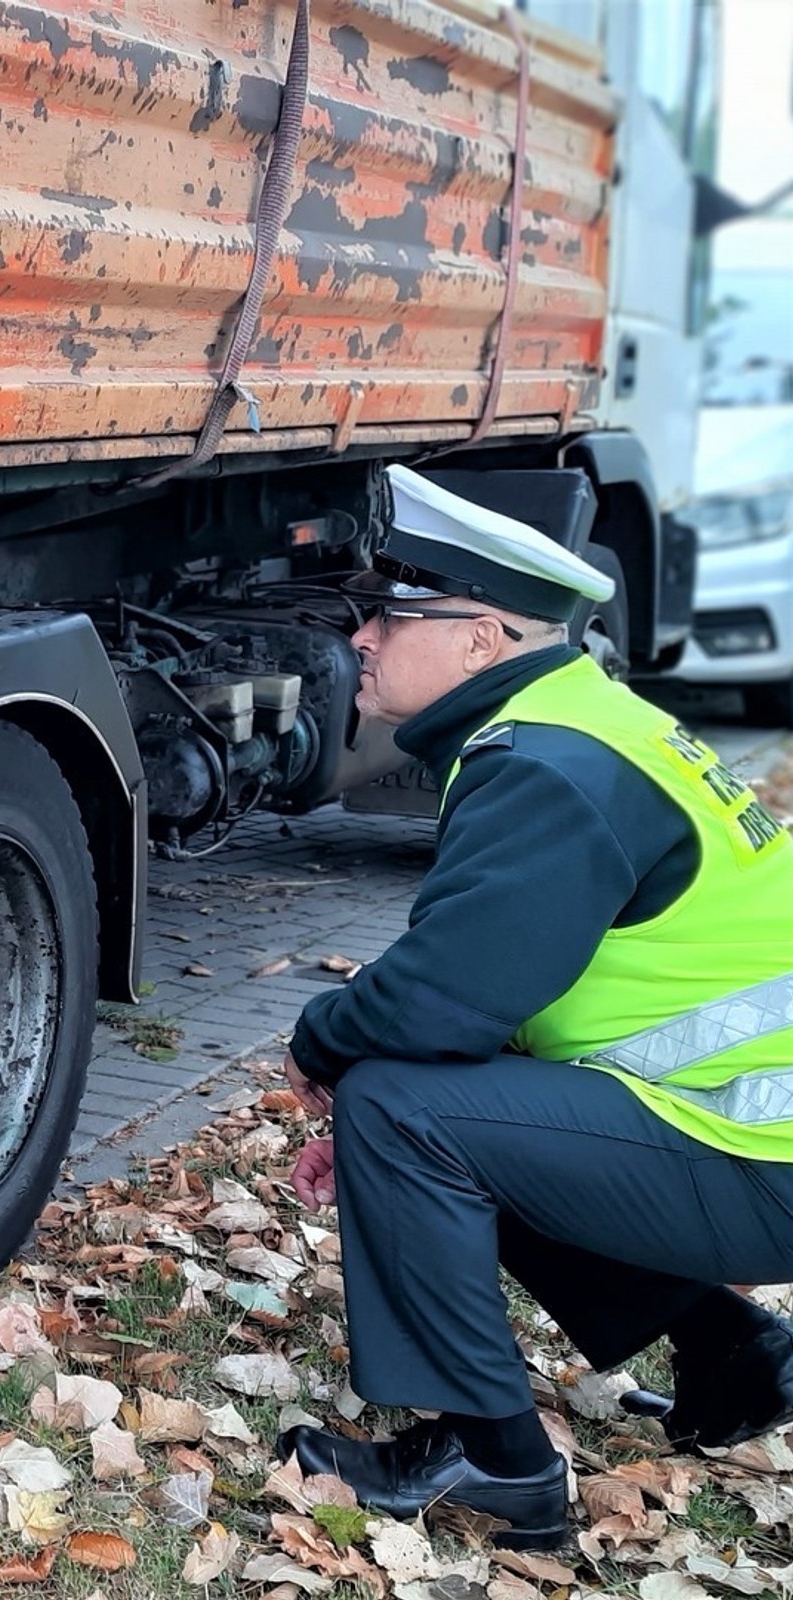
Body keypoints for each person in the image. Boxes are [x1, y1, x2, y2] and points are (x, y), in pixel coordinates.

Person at [275, 463, 793, 1552]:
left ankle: (494, 1458)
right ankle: (731, 1348)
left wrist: (320, 1046)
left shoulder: (544, 767)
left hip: (762, 1151)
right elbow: (510, 984)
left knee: (401, 1106)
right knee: (445, 1108)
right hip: (752, 1136)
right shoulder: (577, 722)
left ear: (481, 640)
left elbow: (441, 999)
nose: (361, 637)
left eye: (392, 615)